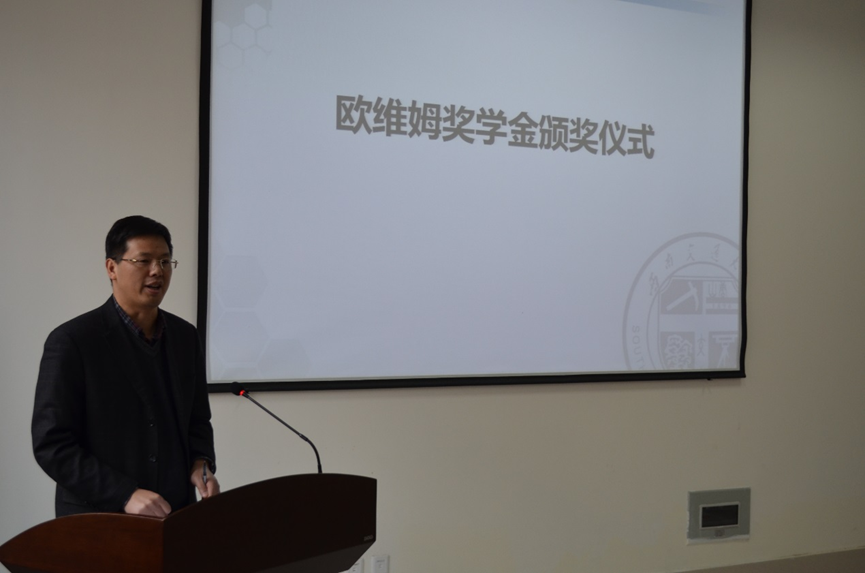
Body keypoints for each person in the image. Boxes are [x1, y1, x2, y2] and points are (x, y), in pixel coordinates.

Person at [32, 215, 219, 518]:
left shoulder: (185, 337)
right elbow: (52, 445)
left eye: (165, 261)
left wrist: (201, 462)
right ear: (112, 268)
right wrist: (124, 493)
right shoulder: (72, 341)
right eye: (143, 261)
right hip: (98, 520)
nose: (157, 271)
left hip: (175, 515)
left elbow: (197, 420)